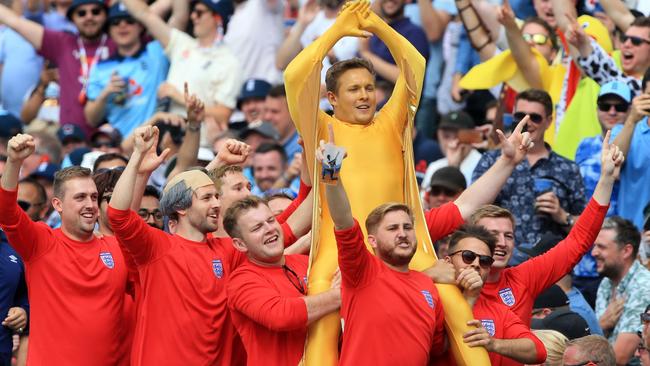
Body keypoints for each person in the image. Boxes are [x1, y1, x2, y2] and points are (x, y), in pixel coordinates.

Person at [284, 2, 536, 361]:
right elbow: (295, 76)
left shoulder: (390, 122)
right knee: (322, 337)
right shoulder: (322, 126)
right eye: (353, 89)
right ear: (332, 98)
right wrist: (336, 31)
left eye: (369, 87)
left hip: (407, 249)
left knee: (462, 317)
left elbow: (415, 65)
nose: (364, 96)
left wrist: (378, 25)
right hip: (340, 253)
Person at [107, 125, 246, 365]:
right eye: (208, 198)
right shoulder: (156, 249)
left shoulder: (227, 250)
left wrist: (220, 161)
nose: (217, 204)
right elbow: (119, 215)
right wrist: (137, 158)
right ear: (179, 211)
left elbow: (286, 230)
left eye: (217, 197)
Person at [470, 129, 623, 326]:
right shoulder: (450, 279)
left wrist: (606, 178)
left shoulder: (523, 278)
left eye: (508, 235)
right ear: (474, 238)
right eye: (492, 234)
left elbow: (578, 241)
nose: (502, 243)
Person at [0, 134, 129, 365]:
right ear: (57, 205)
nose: (90, 205)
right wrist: (14, 162)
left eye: (93, 197)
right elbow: (7, 212)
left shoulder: (116, 248)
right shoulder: (41, 242)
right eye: (80, 198)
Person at [472, 89, 587, 265]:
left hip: (548, 267)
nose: (527, 123)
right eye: (520, 116)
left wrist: (562, 215)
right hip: (498, 263)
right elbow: (472, 210)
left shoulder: (568, 168)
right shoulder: (492, 160)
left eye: (535, 117)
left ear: (548, 121)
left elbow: (585, 227)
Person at [224, 196, 340, 366]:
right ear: (240, 244)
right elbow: (281, 315)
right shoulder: (241, 281)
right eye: (257, 228)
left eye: (271, 220)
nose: (269, 229)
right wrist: (337, 296)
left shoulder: (305, 262)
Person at [120, 0, 242, 137]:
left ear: (217, 18)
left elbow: (223, 115)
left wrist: (179, 97)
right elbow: (144, 14)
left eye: (199, 12)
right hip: (165, 140)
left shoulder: (229, 62)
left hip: (200, 147)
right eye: (193, 11)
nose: (193, 16)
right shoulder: (183, 44)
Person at [0, 0, 113, 137]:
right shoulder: (63, 43)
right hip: (70, 140)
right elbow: (14, 21)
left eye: (96, 12)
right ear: (72, 18)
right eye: (81, 13)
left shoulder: (119, 43)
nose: (89, 17)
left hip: (110, 139)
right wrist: (43, 85)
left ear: (106, 15)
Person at [443, 226, 547, 366]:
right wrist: (469, 299)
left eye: (485, 261)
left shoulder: (498, 310)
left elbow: (538, 351)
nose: (476, 264)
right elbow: (438, 345)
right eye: (468, 256)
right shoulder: (432, 298)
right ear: (448, 262)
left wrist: (493, 343)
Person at [84, 3, 169, 138]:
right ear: (109, 30)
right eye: (115, 23)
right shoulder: (100, 67)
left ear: (140, 25)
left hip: (156, 140)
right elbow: (91, 119)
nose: (122, 26)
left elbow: (178, 18)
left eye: (129, 21)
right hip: (119, 145)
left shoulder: (157, 51)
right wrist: (105, 93)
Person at [593, 216, 650, 365]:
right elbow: (595, 341)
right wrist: (601, 325)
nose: (594, 253)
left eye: (602, 247)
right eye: (595, 246)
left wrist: (597, 329)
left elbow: (619, 358)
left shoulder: (644, 287)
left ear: (626, 251)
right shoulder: (606, 282)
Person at [576, 80, 631, 217]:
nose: (612, 112)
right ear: (597, 109)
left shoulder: (639, 143)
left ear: (630, 111)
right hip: (586, 228)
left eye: (620, 107)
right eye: (605, 106)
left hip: (622, 230)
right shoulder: (585, 144)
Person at [570, 16, 650, 95]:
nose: (626, 44)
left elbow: (611, 78)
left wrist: (585, 44)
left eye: (636, 41)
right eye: (624, 39)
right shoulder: (612, 62)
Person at [611, 70, 650, 230]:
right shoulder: (625, 130)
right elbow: (611, 166)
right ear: (641, 96)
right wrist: (632, 119)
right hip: (632, 238)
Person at [420, 110, 480, 191]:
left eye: (458, 136)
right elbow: (424, 201)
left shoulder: (483, 164)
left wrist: (453, 167)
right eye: (446, 136)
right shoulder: (434, 166)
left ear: (471, 137)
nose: (452, 143)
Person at [263, 84, 302, 163]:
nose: (267, 117)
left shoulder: (304, 148)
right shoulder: (262, 141)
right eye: (266, 110)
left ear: (293, 113)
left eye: (274, 111)